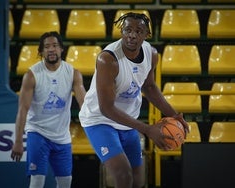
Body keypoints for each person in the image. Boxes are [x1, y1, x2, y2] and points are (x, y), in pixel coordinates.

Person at [78, 12, 189, 188]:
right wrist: (147, 130)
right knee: (123, 175)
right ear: (121, 32)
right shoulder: (107, 59)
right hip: (99, 119)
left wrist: (174, 116)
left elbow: (149, 87)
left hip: (127, 120)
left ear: (146, 35)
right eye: (127, 30)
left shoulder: (151, 54)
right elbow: (107, 108)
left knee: (138, 180)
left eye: (139, 31)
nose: (132, 35)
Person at [11, 31, 86, 188]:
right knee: (37, 181)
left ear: (61, 49)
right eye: (47, 47)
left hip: (62, 136)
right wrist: (18, 141)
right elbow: (22, 110)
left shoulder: (73, 73)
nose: (51, 49)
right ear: (41, 51)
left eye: (55, 46)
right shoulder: (32, 75)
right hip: (38, 132)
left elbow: (84, 104)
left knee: (66, 182)